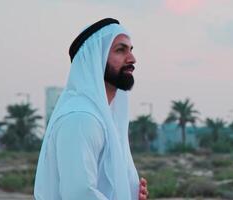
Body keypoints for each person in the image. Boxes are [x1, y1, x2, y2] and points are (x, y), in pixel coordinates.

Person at [34, 18, 149, 200]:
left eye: (131, 50)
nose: (132, 59)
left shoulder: (102, 117)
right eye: (120, 50)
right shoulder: (81, 118)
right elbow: (79, 194)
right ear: (96, 58)